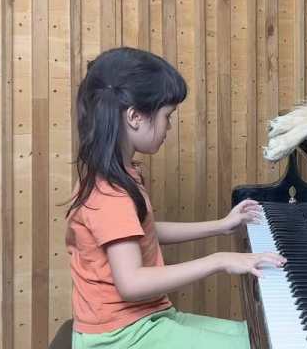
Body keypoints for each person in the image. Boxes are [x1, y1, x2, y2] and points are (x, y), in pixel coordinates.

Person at [65, 47, 285, 348]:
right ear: (134, 117)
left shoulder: (118, 174)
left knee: (256, 336)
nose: (169, 127)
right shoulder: (111, 193)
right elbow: (131, 283)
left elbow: (143, 230)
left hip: (145, 317)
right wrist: (219, 260)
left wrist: (220, 225)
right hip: (121, 337)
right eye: (167, 116)